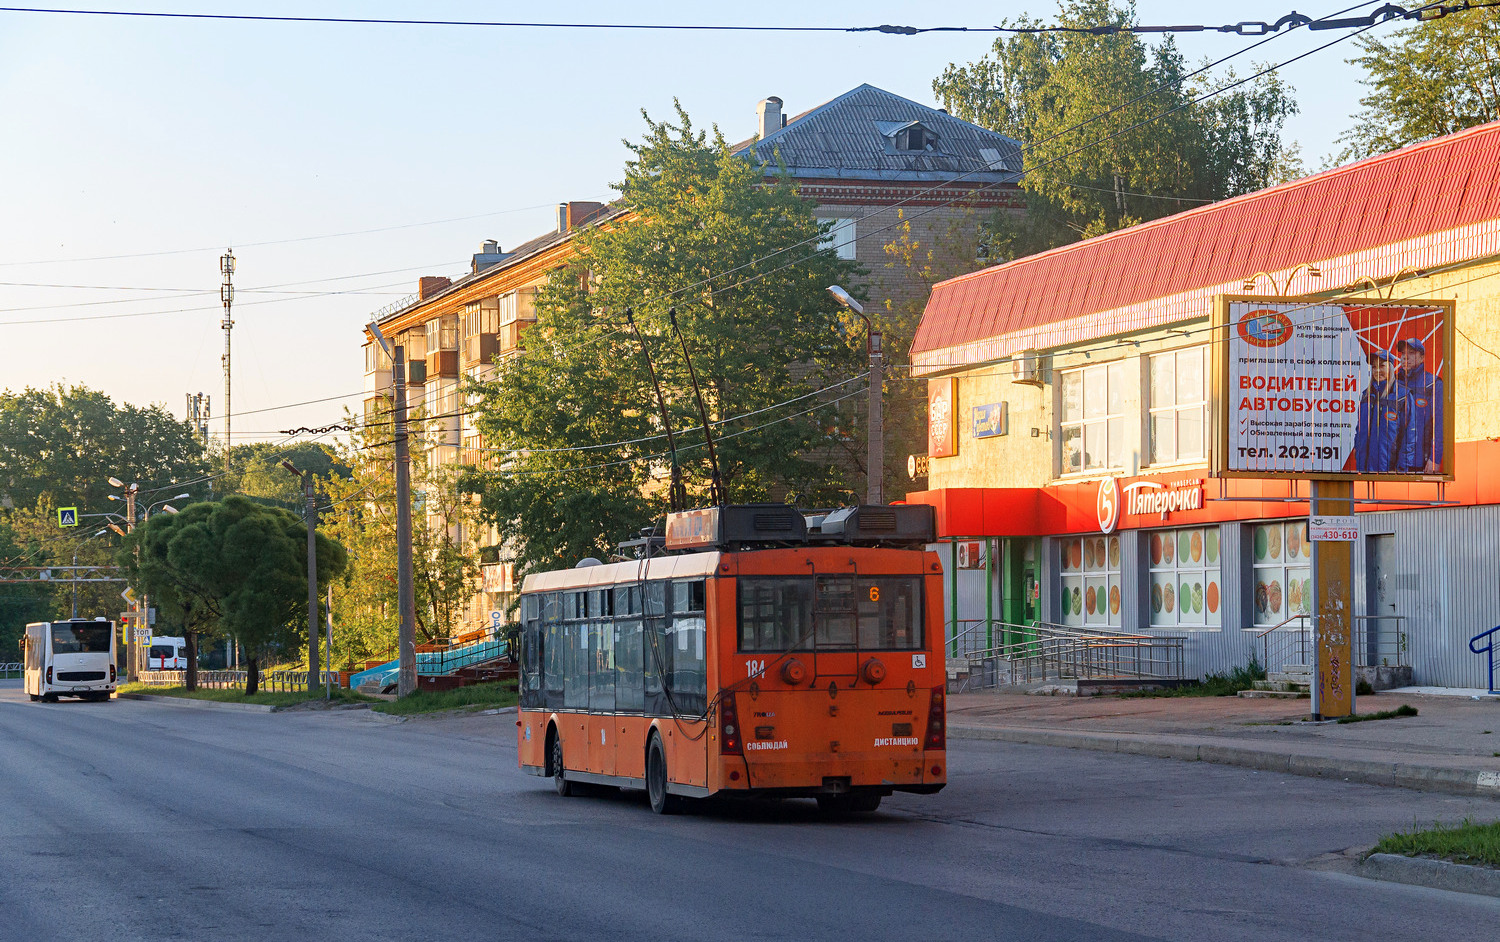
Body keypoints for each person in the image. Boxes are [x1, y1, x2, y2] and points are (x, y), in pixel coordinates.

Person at [1352, 349, 1416, 473]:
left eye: (1382, 366)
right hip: (1364, 469)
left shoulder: (1402, 396)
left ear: (1391, 368)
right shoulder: (1366, 396)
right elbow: (1359, 429)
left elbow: (1410, 436)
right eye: (1374, 367)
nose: (1377, 371)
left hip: (1390, 471)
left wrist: (1401, 469)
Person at [1396, 337, 1443, 473]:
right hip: (1393, 461)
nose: (1405, 357)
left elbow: (1440, 425)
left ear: (1422, 357)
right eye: (1403, 353)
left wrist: (1435, 458)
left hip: (1420, 461)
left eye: (1411, 353)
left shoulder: (1433, 384)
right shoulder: (1393, 383)